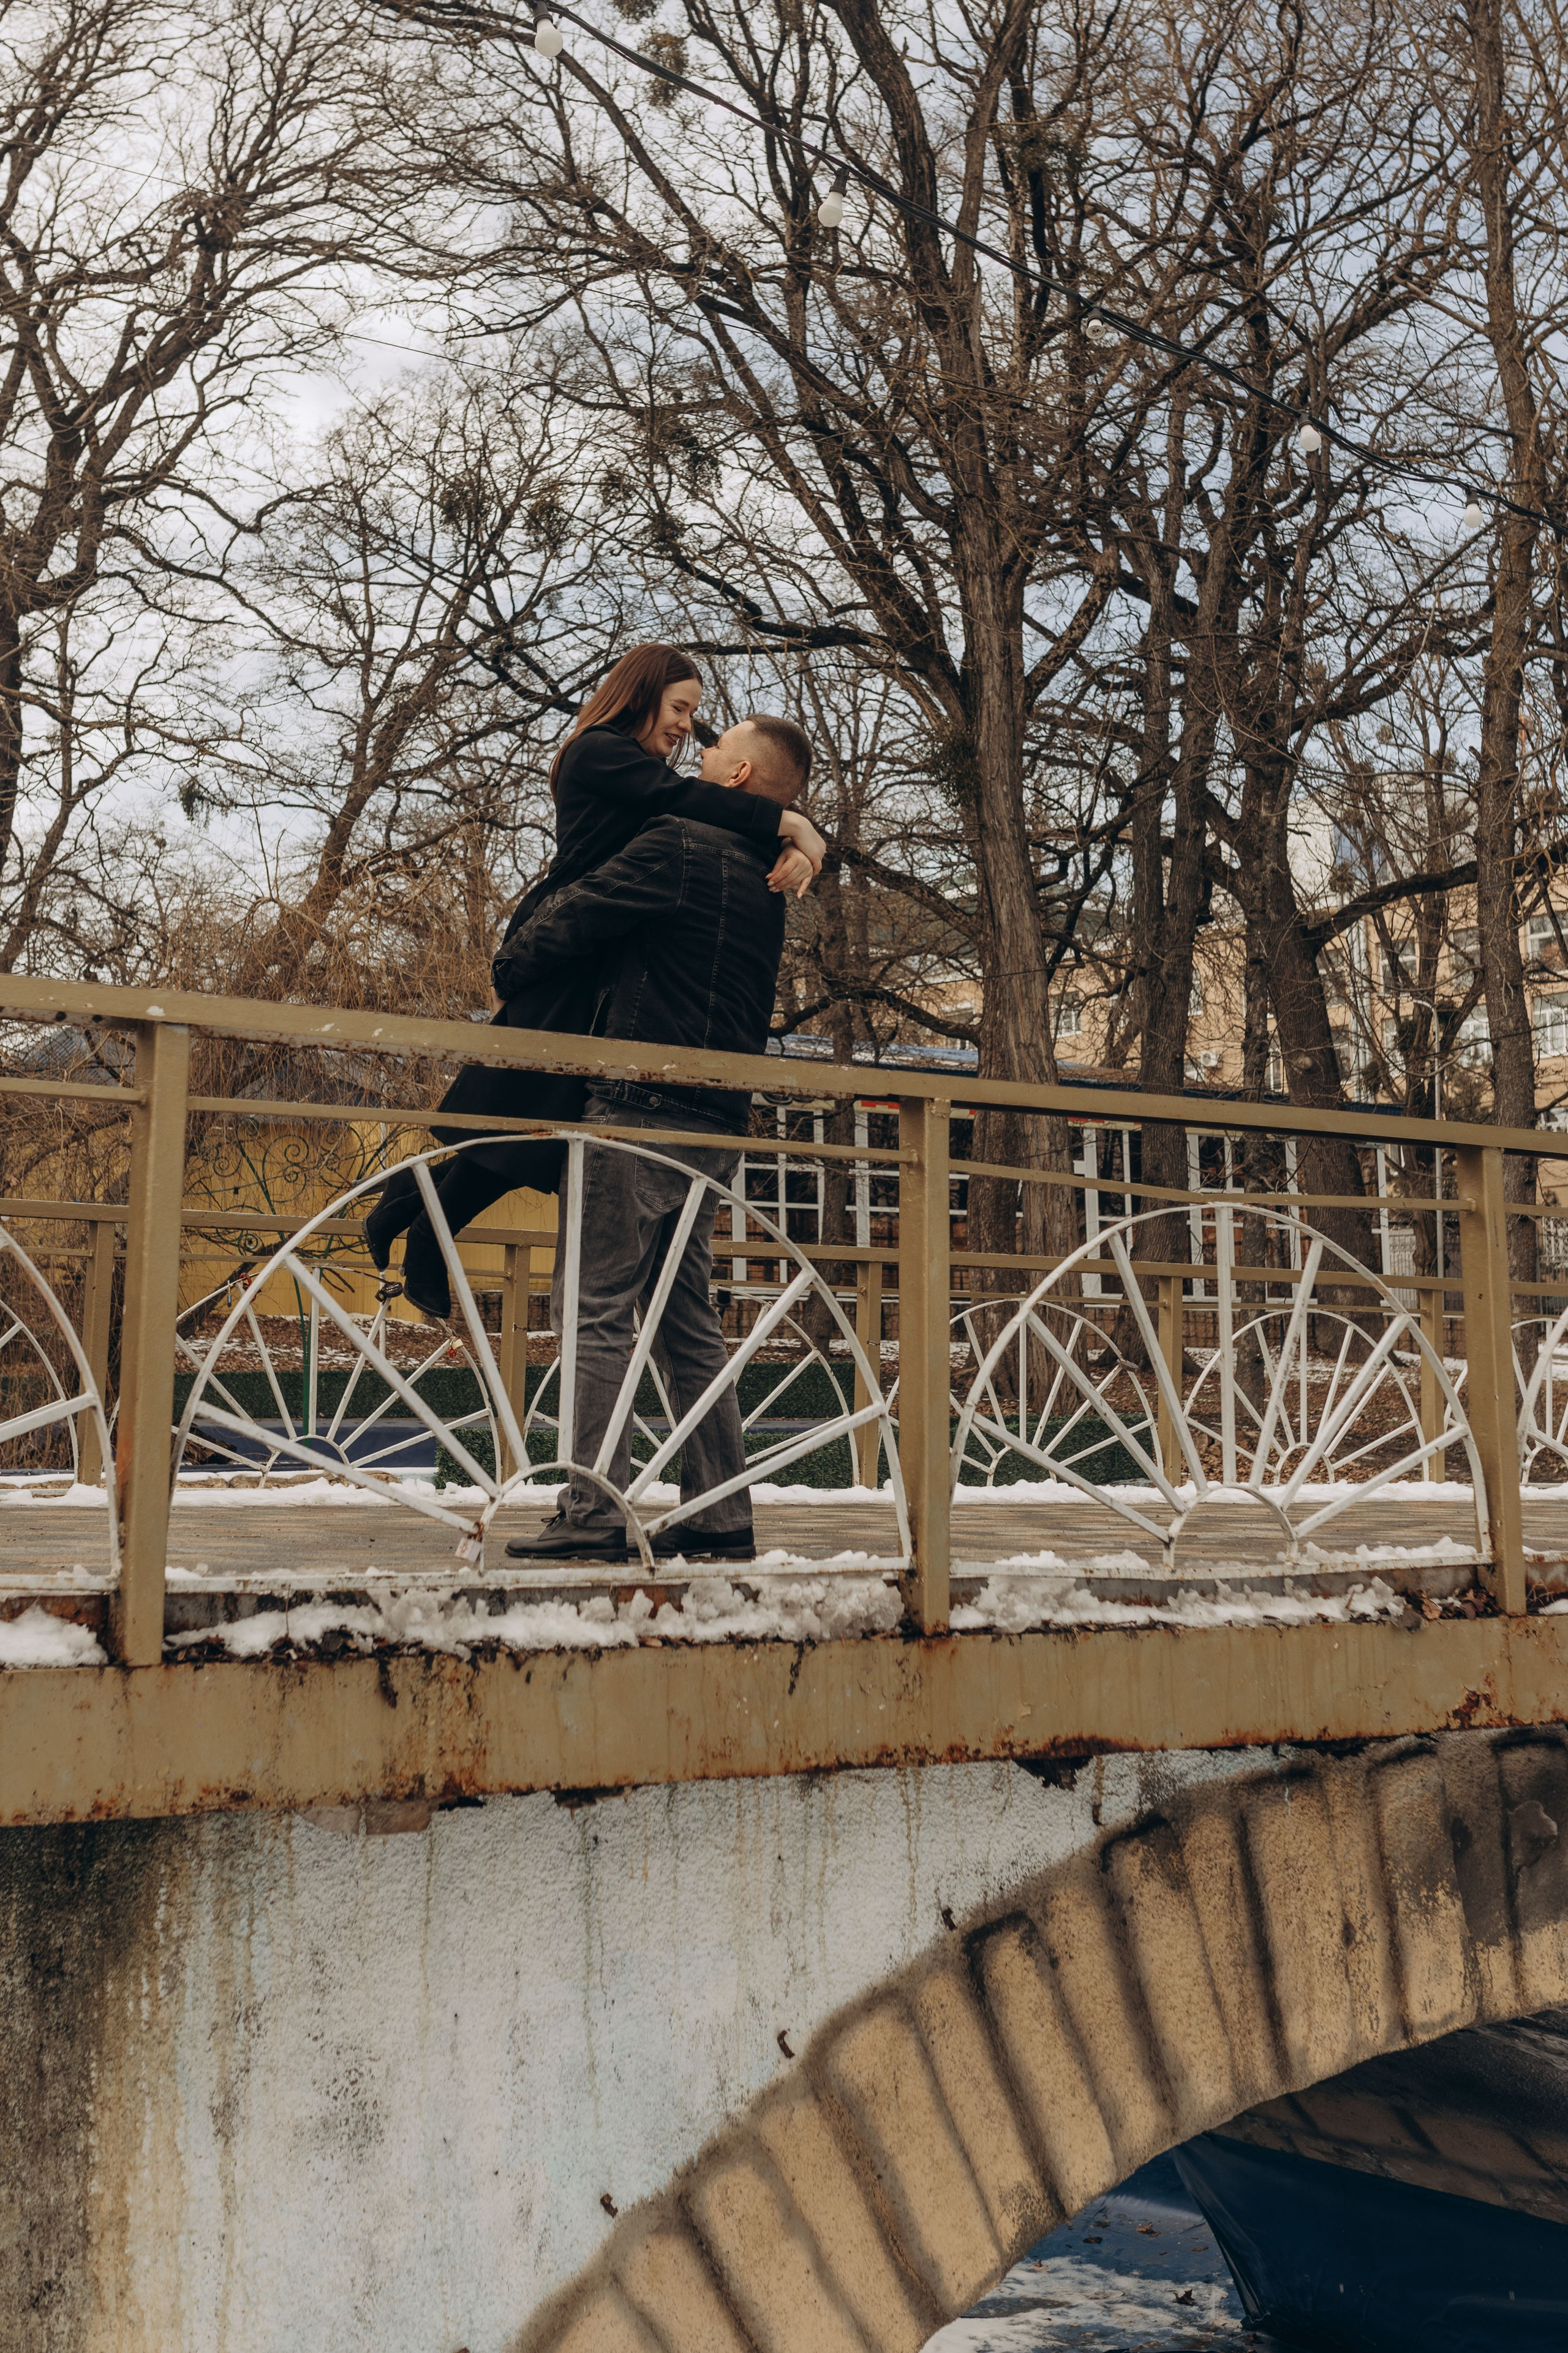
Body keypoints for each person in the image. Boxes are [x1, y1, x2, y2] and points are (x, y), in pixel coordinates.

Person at [364, 645, 824, 1315]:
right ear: (640, 694)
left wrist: (801, 843)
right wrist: (792, 823)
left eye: (694, 714)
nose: (686, 727)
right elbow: (684, 798)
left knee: (541, 1122)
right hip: (567, 940)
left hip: (606, 953)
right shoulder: (599, 751)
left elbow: (721, 805)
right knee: (526, 1113)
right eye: (679, 708)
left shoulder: (654, 774)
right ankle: (425, 1226)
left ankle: (415, 1203)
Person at [495, 712, 813, 1563]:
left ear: (738, 778)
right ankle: (720, 1510)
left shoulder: (676, 843)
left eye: (714, 747)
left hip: (638, 1106)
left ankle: (592, 1510)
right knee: (682, 1317)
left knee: (592, 1303)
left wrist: (513, 962)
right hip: (717, 1119)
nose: (695, 751)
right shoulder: (765, 871)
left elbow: (571, 922)